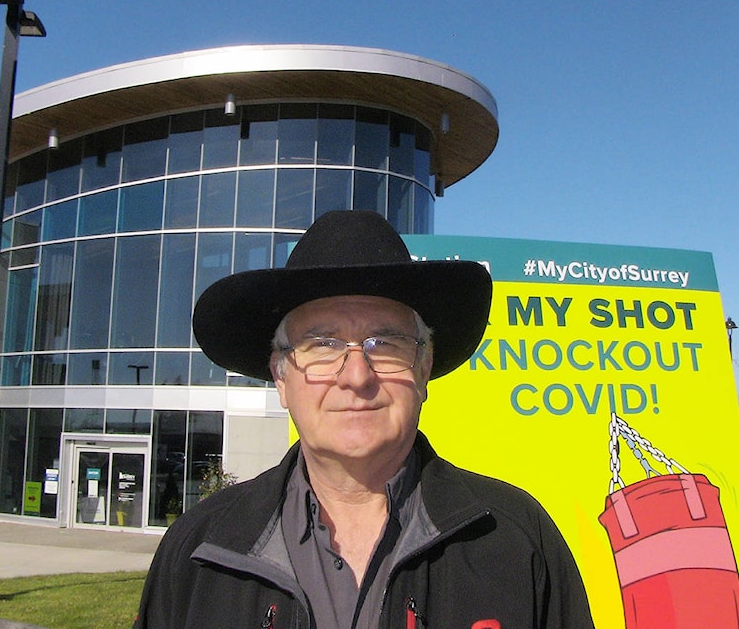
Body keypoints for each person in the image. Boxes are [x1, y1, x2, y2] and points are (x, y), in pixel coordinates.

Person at [133, 210, 594, 629]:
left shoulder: (515, 540)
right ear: (280, 376)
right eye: (323, 344)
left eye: (385, 344)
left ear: (424, 368)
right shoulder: (198, 551)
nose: (356, 376)